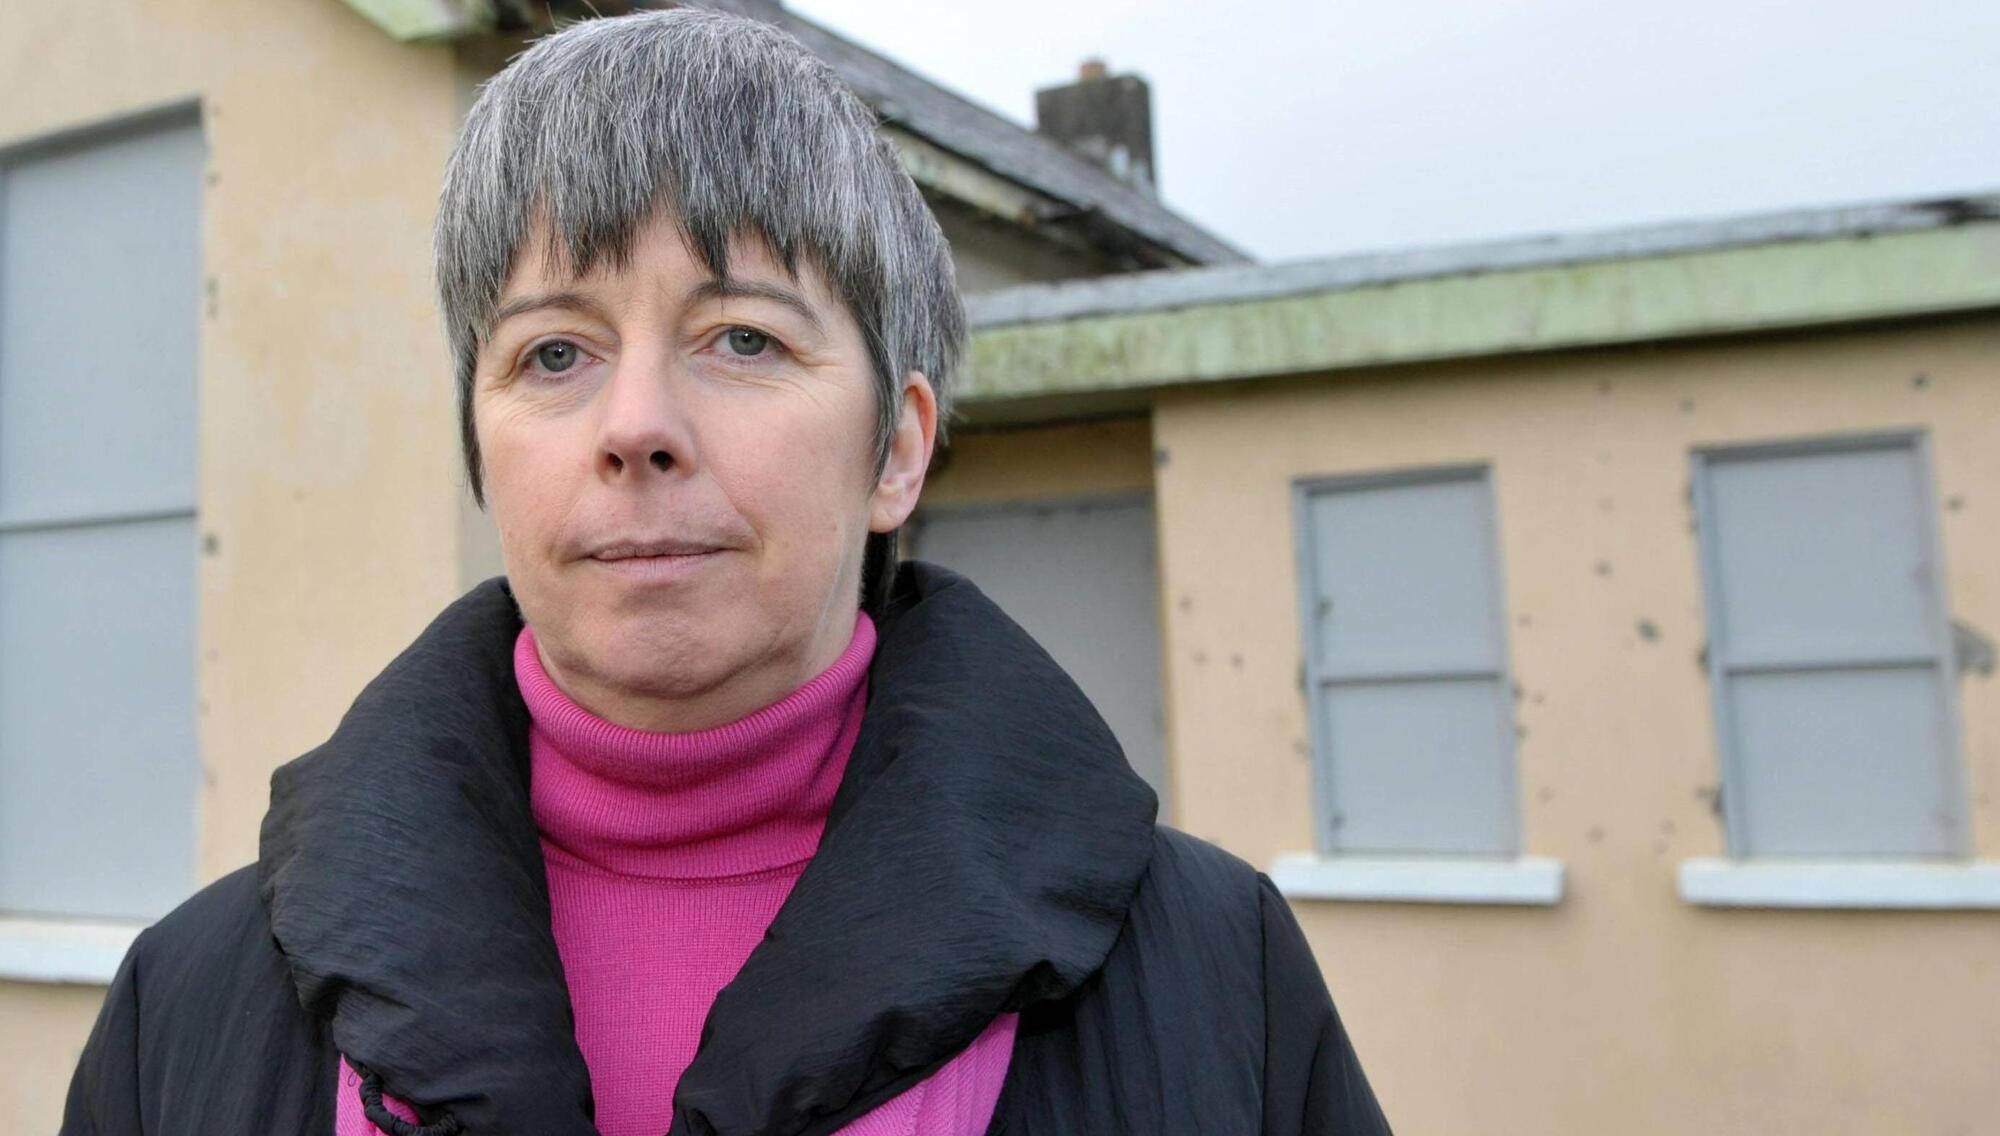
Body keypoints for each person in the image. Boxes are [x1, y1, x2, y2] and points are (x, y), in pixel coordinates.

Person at [59, 9, 1389, 1135]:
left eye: (743, 338)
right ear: (480, 447)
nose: (636, 425)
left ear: (897, 449)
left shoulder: (1221, 977)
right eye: (554, 353)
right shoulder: (187, 1007)